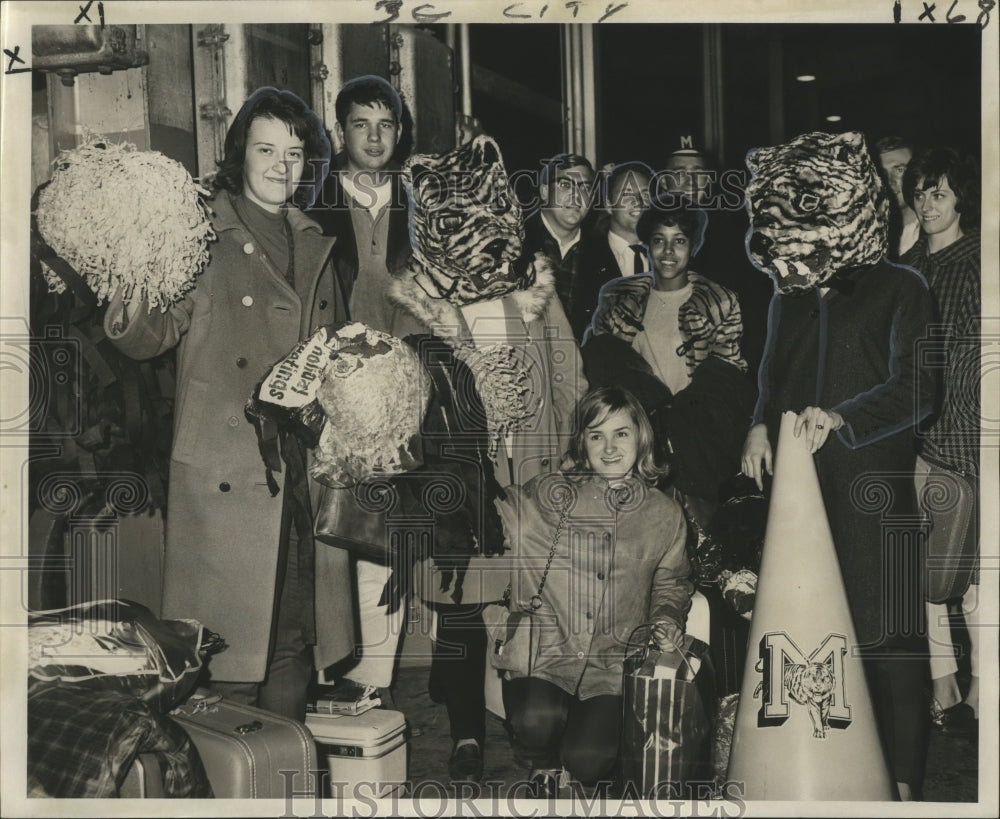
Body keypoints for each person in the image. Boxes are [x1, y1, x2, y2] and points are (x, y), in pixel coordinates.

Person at [103, 87, 352, 721]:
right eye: (266, 149)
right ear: (239, 151)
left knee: (294, 643)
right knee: (222, 657)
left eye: (294, 153)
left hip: (301, 471)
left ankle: (280, 779)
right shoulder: (200, 236)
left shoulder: (316, 241)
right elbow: (148, 336)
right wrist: (128, 279)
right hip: (228, 476)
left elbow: (339, 354)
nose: (280, 166)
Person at [740, 130, 937, 800]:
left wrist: (845, 415)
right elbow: (771, 380)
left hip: (878, 498)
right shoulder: (785, 298)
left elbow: (921, 386)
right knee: (813, 638)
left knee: (895, 648)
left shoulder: (900, 287)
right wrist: (759, 424)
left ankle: (904, 784)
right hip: (802, 504)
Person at [497, 386, 694, 797]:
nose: (608, 448)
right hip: (547, 652)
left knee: (588, 761)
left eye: (620, 434)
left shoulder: (665, 513)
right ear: (581, 444)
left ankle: (576, 761)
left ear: (641, 437)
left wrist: (666, 618)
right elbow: (496, 510)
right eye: (596, 435)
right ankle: (545, 765)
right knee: (534, 726)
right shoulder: (549, 494)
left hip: (611, 663)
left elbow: (671, 581)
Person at [308, 75, 421, 709]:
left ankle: (375, 676)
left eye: (385, 125)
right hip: (335, 389)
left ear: (399, 133)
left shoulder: (424, 204)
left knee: (388, 531)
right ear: (340, 132)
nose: (373, 137)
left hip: (408, 390)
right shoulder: (312, 205)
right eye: (360, 124)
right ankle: (329, 666)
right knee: (333, 529)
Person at [901, 147, 981, 739]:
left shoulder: (976, 262)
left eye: (941, 193)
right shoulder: (905, 265)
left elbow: (977, 363)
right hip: (910, 438)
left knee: (971, 572)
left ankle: (982, 687)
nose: (929, 204)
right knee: (922, 570)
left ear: (961, 200)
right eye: (922, 192)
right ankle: (942, 680)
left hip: (963, 438)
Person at [657, 145, 773, 381]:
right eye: (679, 173)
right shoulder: (647, 234)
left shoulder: (736, 238)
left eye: (698, 173)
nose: (690, 181)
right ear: (663, 182)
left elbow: (755, 314)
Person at [570, 161, 653, 339]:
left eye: (645, 194)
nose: (638, 202)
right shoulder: (581, 257)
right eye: (627, 194)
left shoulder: (668, 257)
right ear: (608, 204)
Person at [522, 152, 597, 324]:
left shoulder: (602, 252)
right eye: (565, 185)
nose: (576, 195)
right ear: (545, 192)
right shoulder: (514, 243)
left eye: (585, 187)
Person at [875, 136, 921, 259]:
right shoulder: (868, 234)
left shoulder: (935, 229)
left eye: (899, 170)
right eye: (882, 173)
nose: (889, 181)